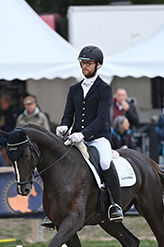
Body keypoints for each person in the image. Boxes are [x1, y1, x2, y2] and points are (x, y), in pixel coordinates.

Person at [56, 45, 123, 222]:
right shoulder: (74, 89)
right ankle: (56, 208)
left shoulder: (104, 89)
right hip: (77, 138)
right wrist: (64, 126)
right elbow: (68, 115)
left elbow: (101, 118)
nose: (85, 66)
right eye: (83, 63)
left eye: (88, 63)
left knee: (105, 162)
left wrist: (83, 134)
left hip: (98, 137)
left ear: (98, 65)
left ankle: (115, 205)